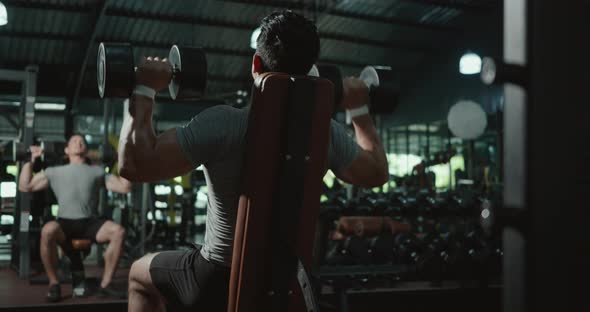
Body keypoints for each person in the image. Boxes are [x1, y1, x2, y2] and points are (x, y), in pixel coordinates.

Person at [119, 10, 389, 312]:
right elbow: (377, 173)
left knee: (138, 274)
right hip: (290, 280)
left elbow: (134, 165)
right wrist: (360, 112)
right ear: (312, 70)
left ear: (256, 64)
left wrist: (143, 88)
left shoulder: (222, 123)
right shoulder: (325, 133)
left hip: (217, 278)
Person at [18, 134, 132, 302]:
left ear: (86, 149)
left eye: (82, 142)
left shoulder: (97, 171)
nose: (79, 143)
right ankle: (54, 283)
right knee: (47, 230)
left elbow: (125, 187)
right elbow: (25, 186)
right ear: (66, 150)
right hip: (65, 223)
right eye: (74, 141)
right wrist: (30, 158)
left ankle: (106, 285)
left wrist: (124, 159)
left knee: (118, 232)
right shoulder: (54, 171)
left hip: (90, 222)